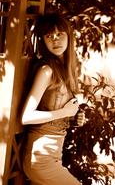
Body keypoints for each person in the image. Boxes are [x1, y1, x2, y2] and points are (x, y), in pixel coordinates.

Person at [21, 12, 85, 185]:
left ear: (69, 36)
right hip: (40, 159)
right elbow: (26, 117)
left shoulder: (67, 69)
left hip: (54, 156)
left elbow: (55, 110)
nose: (55, 40)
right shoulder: (46, 70)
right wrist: (64, 112)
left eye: (59, 34)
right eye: (49, 36)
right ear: (43, 40)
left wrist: (73, 117)